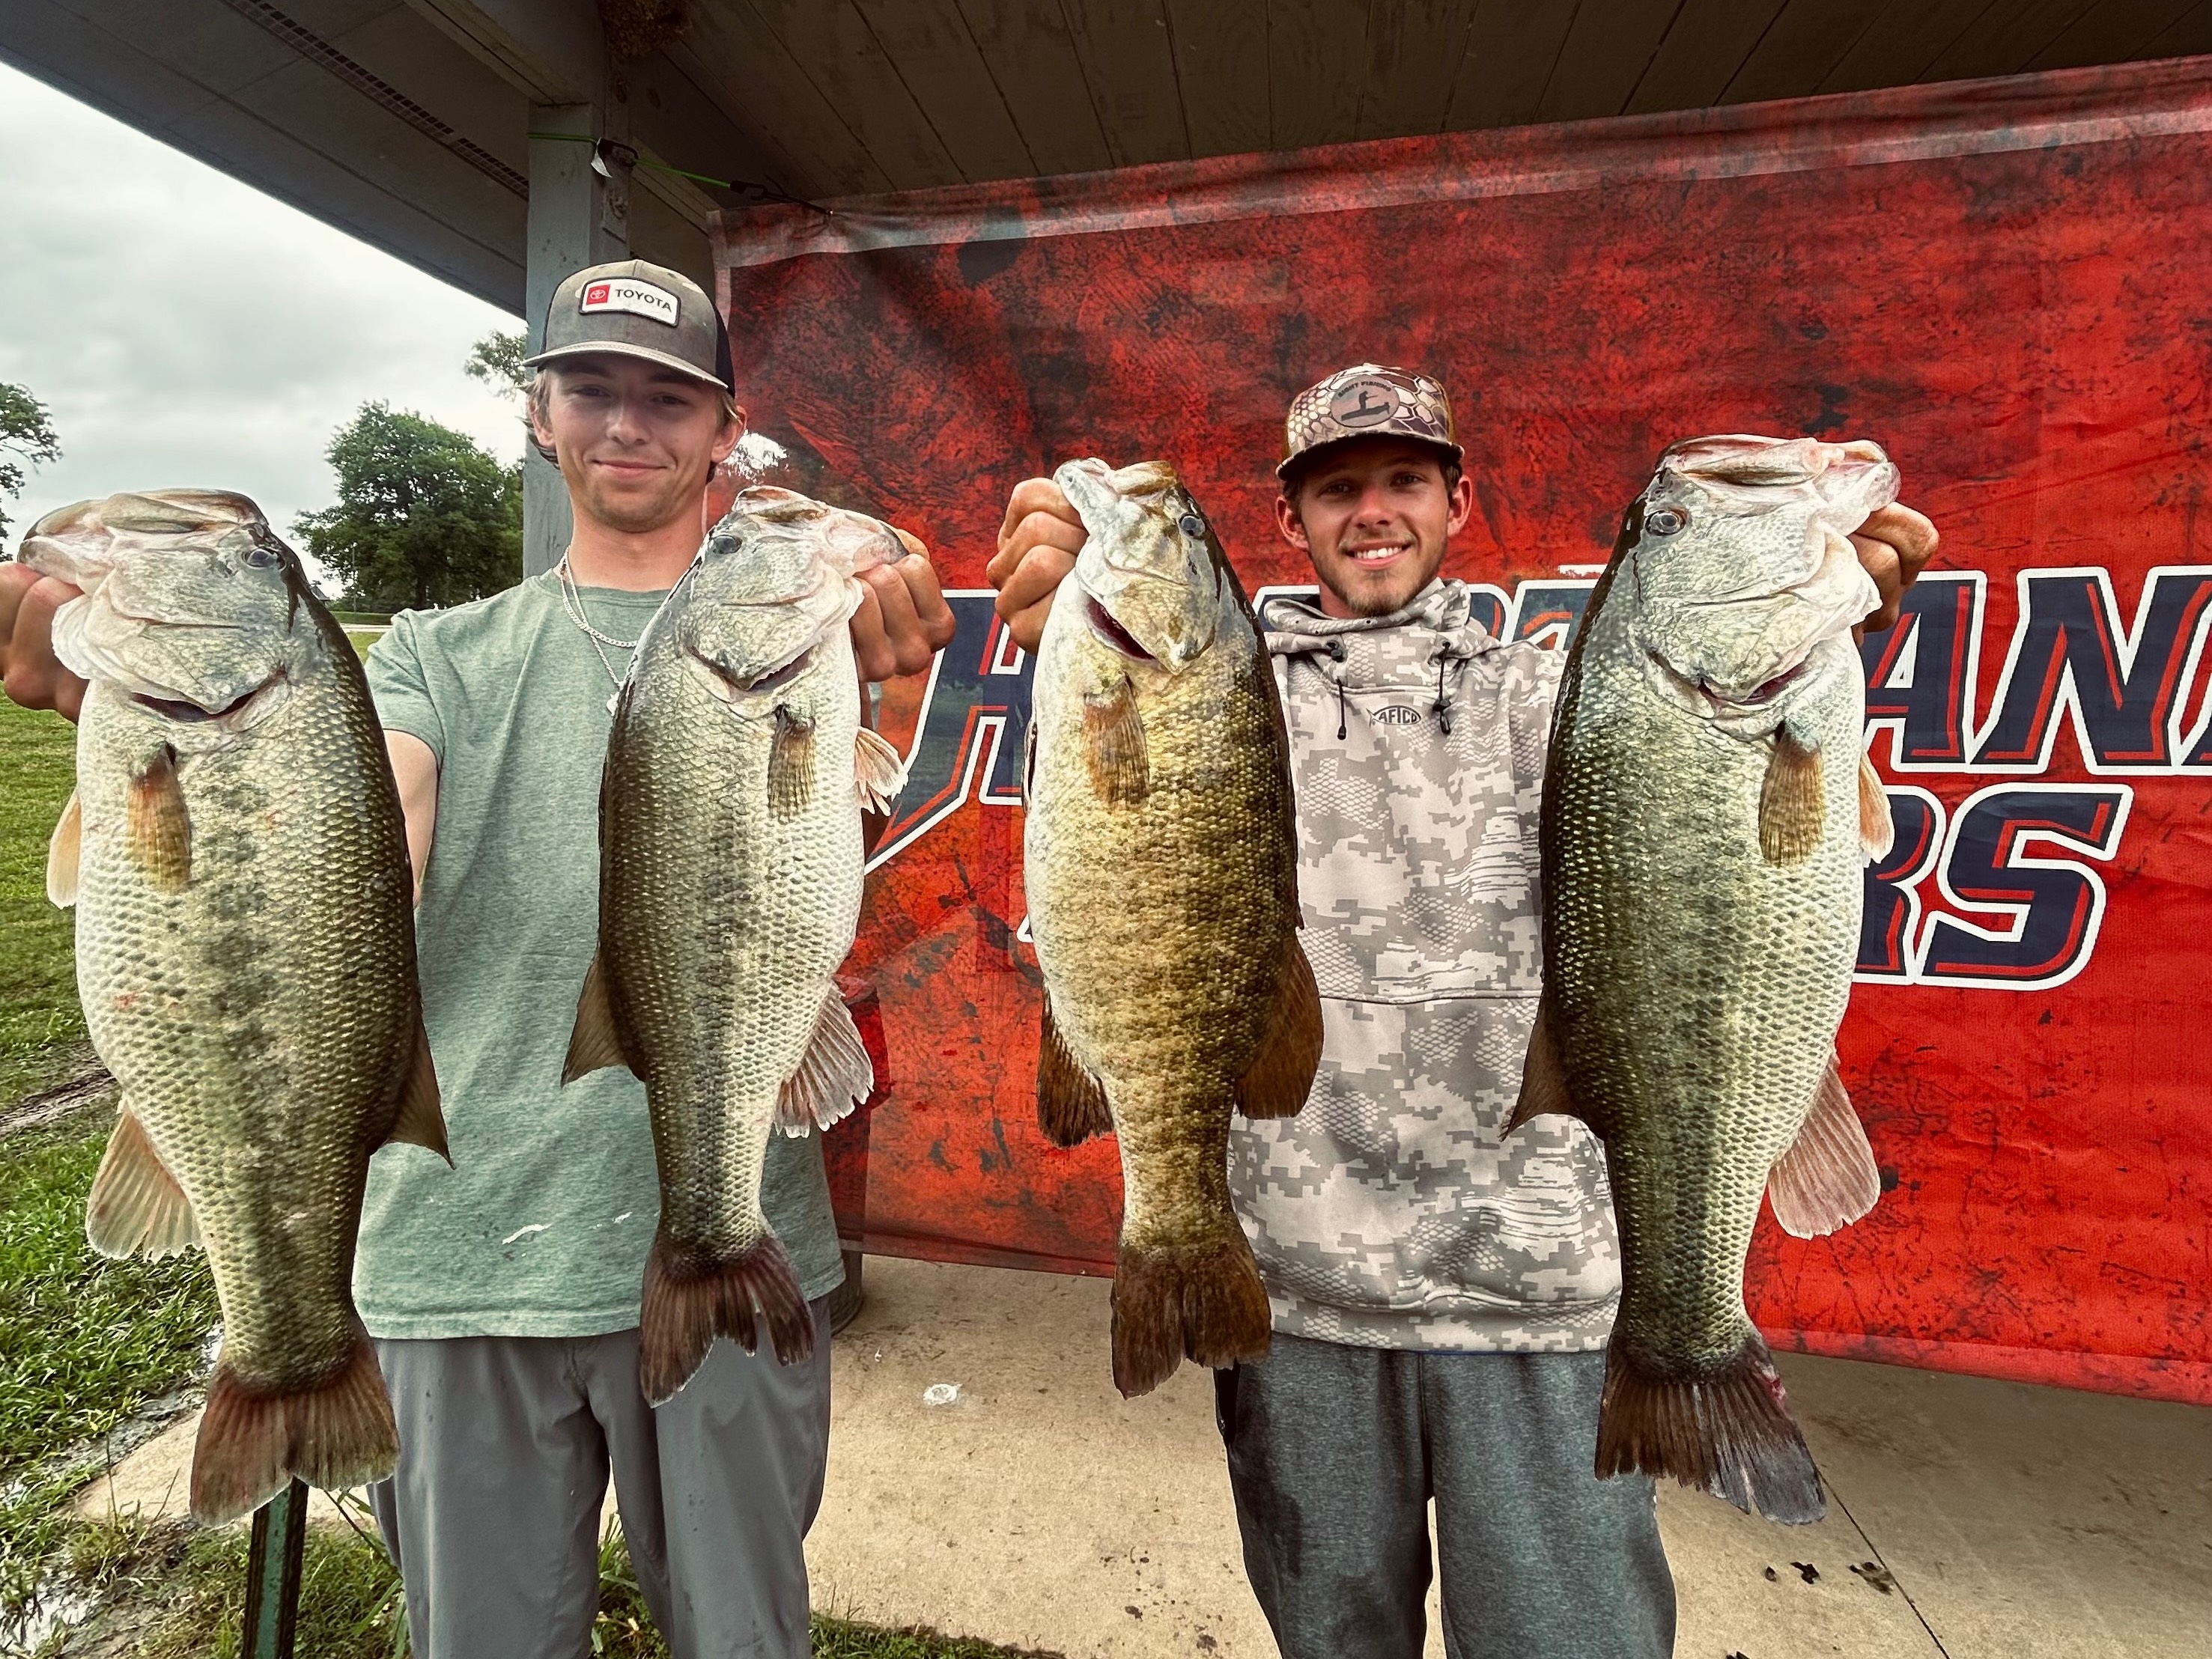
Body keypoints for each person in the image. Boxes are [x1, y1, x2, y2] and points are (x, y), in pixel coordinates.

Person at [0, 257, 955, 1659]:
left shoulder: (826, 637)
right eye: (592, 389)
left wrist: (916, 676)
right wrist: (180, 746)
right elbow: (370, 821)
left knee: (748, 1637)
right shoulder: (433, 655)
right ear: (538, 415)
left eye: (666, 398)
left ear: (722, 429)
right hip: (458, 1256)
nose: (627, 423)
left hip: (729, 1229)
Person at [987, 363, 1936, 1659]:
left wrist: (1819, 618)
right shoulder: (1214, 687)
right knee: (1332, 1638)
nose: (1371, 512)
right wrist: (1059, 626)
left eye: (1402, 482)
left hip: (1534, 1289)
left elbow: (1697, 769)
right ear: (1291, 520)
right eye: (1337, 489)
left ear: (1456, 502)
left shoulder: (1554, 697)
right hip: (1295, 1286)